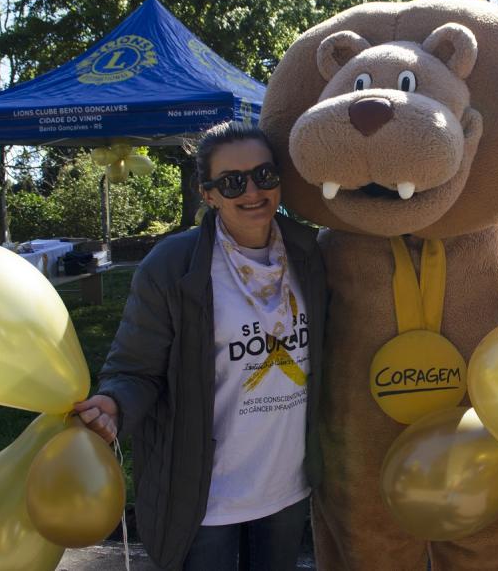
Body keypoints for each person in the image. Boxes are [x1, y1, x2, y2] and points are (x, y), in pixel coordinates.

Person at [73, 122, 326, 571]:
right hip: (206, 493)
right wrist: (114, 403)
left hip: (286, 484)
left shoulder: (311, 253)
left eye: (264, 175)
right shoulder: (173, 266)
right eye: (232, 182)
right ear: (207, 193)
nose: (252, 191)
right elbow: (136, 367)